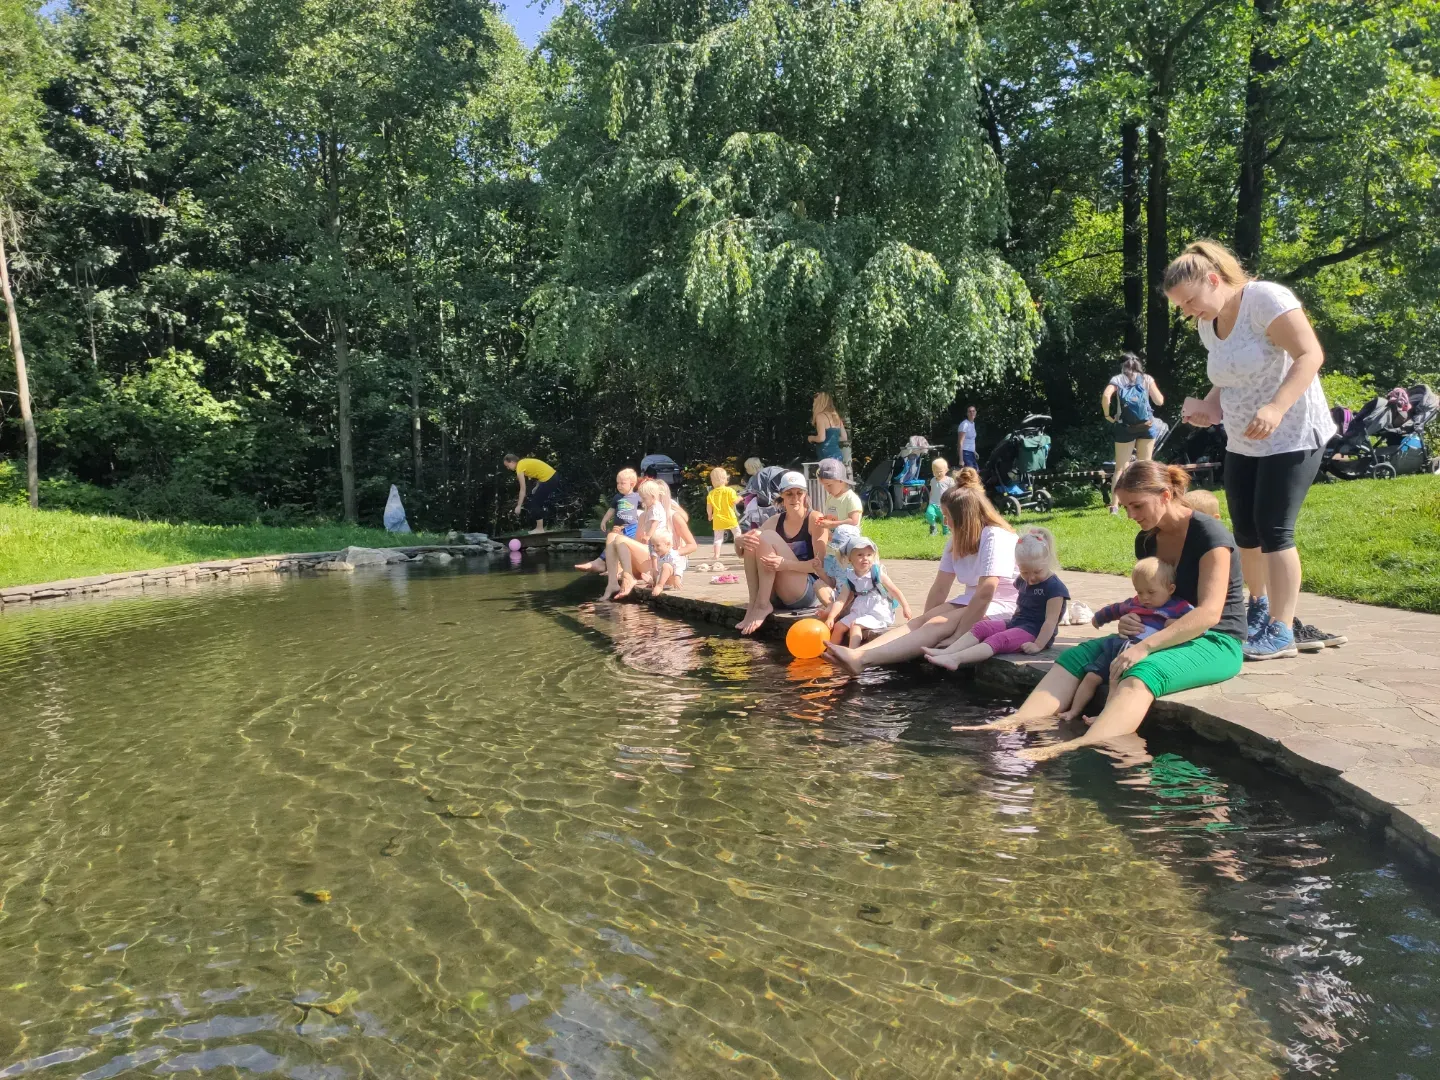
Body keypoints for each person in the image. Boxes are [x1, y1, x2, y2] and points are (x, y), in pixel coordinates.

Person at [957, 461, 1246, 763]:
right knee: (1075, 656)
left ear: (1164, 495)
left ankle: (1077, 745)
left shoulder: (1209, 535)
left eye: (1137, 506)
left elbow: (1210, 613)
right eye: (1126, 507)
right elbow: (1152, 593)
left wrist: (1145, 646)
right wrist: (1134, 618)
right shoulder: (1148, 539)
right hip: (1161, 632)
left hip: (1215, 641)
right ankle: (1010, 723)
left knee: (1142, 671)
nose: (1131, 515)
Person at [1164, 239, 1341, 658]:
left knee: (1274, 529)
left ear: (1213, 280)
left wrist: (1277, 407)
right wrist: (1208, 406)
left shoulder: (1265, 298)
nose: (1188, 312)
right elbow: (1226, 375)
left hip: (1293, 432)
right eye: (1181, 307)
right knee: (1245, 529)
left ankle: (1282, 630)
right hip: (1244, 439)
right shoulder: (1208, 322)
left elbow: (1310, 354)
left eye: (1190, 301)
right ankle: (1258, 610)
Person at [823, 484, 1018, 675]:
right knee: (927, 621)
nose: (945, 522)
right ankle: (857, 654)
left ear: (964, 518)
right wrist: (924, 625)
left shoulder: (995, 536)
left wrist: (959, 636)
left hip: (1004, 604)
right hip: (973, 599)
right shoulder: (956, 540)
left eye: (948, 517)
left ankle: (863, 660)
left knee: (939, 623)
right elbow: (940, 588)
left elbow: (986, 592)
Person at [1057, 557, 1193, 723]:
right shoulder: (1136, 603)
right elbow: (1116, 609)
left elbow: (1199, 624)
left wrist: (1176, 624)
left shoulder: (1178, 607)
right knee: (1091, 677)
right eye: (1139, 592)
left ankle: (1103, 717)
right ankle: (1073, 711)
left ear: (1170, 589)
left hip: (1136, 654)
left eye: (1151, 592)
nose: (1144, 598)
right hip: (1116, 647)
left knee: (1115, 682)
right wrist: (1098, 618)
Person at [922, 527, 1068, 670]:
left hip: (1034, 633)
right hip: (1016, 623)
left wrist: (1038, 644)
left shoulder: (1054, 588)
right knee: (982, 627)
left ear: (1047, 562)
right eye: (1025, 572)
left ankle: (955, 659)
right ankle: (947, 651)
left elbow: (1050, 621)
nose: (1031, 578)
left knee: (999, 639)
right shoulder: (1022, 580)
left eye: (1037, 572)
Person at [735, 472, 834, 635]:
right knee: (754, 536)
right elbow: (745, 552)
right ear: (781, 495)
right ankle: (755, 604)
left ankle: (761, 605)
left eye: (799, 493)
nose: (795, 498)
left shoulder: (815, 519)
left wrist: (785, 564)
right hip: (778, 593)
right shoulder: (775, 520)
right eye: (789, 494)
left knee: (766, 535)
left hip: (806, 592)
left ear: (805, 495)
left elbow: (820, 566)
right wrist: (738, 542)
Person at [1101, 353, 1165, 514]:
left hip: (1125, 426)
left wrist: (1108, 415)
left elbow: (1106, 396)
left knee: (1120, 469)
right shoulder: (1147, 379)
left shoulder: (1117, 379)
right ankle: (1146, 502)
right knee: (1145, 466)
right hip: (1146, 425)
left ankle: (1114, 506)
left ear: (1123, 366)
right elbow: (1159, 401)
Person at [824, 535, 912, 647]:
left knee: (855, 625)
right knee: (838, 626)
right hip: (860, 610)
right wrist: (832, 616)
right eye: (860, 555)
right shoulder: (850, 577)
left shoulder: (877, 573)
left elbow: (895, 591)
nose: (865, 558)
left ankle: (852, 654)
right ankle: (831, 654)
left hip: (877, 611)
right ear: (850, 558)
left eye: (869, 555)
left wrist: (905, 606)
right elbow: (841, 600)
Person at [576, 467, 640, 573]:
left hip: (631, 527)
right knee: (612, 545)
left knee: (621, 546)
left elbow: (647, 507)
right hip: (618, 528)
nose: (619, 486)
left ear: (632, 484)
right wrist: (604, 520)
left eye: (622, 483)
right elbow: (611, 510)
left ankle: (610, 566)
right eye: (617, 483)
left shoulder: (637, 497)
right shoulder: (617, 497)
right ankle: (610, 567)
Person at [815, 458, 863, 586]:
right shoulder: (830, 498)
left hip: (846, 551)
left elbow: (854, 521)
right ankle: (833, 603)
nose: (826, 489)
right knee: (829, 580)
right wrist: (824, 520)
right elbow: (832, 517)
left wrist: (831, 524)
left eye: (829, 485)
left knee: (844, 582)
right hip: (831, 548)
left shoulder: (850, 498)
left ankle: (844, 604)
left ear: (841, 481)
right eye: (824, 485)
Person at [503, 454, 558, 533]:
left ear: (511, 462)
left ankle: (540, 529)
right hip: (552, 477)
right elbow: (540, 471)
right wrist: (537, 486)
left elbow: (522, 489)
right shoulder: (523, 463)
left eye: (507, 466)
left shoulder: (519, 467)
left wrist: (518, 505)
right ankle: (545, 526)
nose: (508, 468)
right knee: (538, 502)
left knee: (534, 503)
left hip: (549, 478)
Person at [706, 467, 740, 568]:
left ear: (712, 481)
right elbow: (734, 501)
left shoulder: (711, 494)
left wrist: (709, 515)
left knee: (718, 538)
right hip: (730, 517)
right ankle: (739, 552)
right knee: (737, 533)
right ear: (725, 479)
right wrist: (740, 498)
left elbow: (709, 507)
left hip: (718, 518)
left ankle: (716, 555)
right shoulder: (730, 491)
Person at [809, 392, 848, 464]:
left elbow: (821, 438)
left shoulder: (820, 416)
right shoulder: (836, 416)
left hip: (826, 456)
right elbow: (844, 437)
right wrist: (832, 439)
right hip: (838, 455)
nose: (813, 404)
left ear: (820, 403)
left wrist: (811, 438)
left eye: (815, 402)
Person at [926, 457, 954, 536]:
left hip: (944, 504)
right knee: (929, 514)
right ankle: (933, 527)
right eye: (935, 472)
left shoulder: (949, 480)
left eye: (940, 471)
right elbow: (932, 491)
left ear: (946, 470)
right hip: (933, 503)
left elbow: (952, 491)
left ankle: (946, 531)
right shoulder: (933, 480)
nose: (938, 474)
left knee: (944, 519)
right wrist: (929, 501)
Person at [957, 405, 979, 470]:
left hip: (971, 453)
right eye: (969, 411)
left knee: (976, 472)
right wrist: (961, 460)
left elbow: (971, 440)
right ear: (967, 414)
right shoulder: (964, 424)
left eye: (973, 411)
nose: (972, 413)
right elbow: (960, 442)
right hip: (965, 453)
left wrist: (974, 452)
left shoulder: (972, 424)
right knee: (971, 474)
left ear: (976, 412)